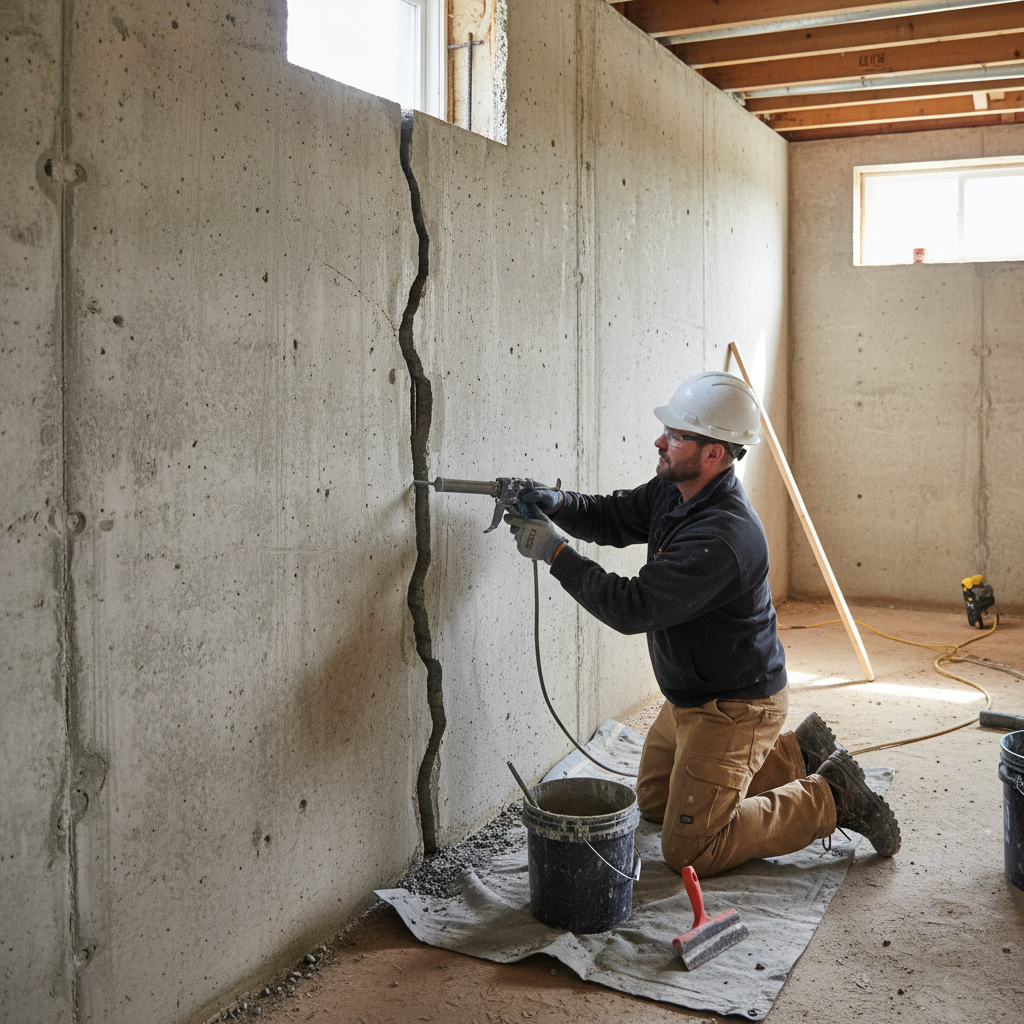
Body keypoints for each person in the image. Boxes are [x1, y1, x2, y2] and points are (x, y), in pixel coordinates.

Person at [505, 371, 900, 877]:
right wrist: (557, 503)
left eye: (674, 435)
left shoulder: (725, 537)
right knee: (651, 801)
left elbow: (632, 607)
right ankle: (797, 755)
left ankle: (829, 797)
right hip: (692, 696)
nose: (659, 440)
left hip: (735, 706)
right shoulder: (679, 489)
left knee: (690, 848)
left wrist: (555, 553)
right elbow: (614, 515)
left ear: (714, 453)